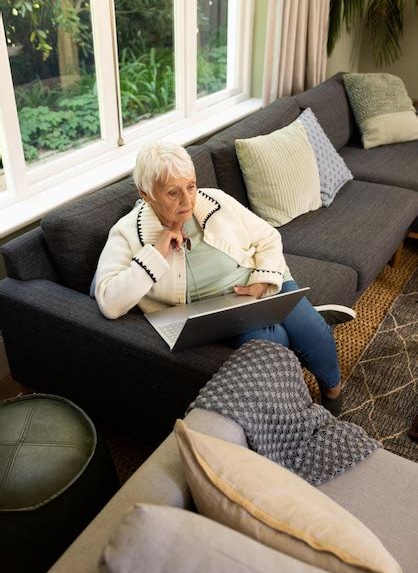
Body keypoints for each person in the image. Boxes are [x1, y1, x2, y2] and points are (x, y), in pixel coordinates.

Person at [95, 142, 355, 416]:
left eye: (191, 185)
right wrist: (156, 252)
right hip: (221, 312)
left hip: (260, 281)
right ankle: (295, 412)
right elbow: (110, 303)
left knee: (314, 333)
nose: (187, 200)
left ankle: (332, 395)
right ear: (146, 194)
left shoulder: (215, 201)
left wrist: (262, 281)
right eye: (173, 192)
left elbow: (268, 237)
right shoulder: (127, 232)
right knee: (274, 342)